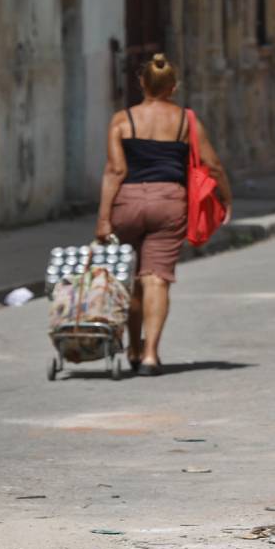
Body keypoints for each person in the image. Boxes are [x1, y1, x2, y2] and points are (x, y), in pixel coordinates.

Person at [96, 53, 231, 375]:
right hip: (169, 201)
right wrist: (226, 198)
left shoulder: (121, 119)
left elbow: (115, 170)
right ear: (173, 87)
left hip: (126, 201)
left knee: (129, 279)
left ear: (142, 83)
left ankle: (132, 346)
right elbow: (213, 165)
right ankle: (151, 356)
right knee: (156, 279)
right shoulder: (187, 121)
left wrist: (103, 218)